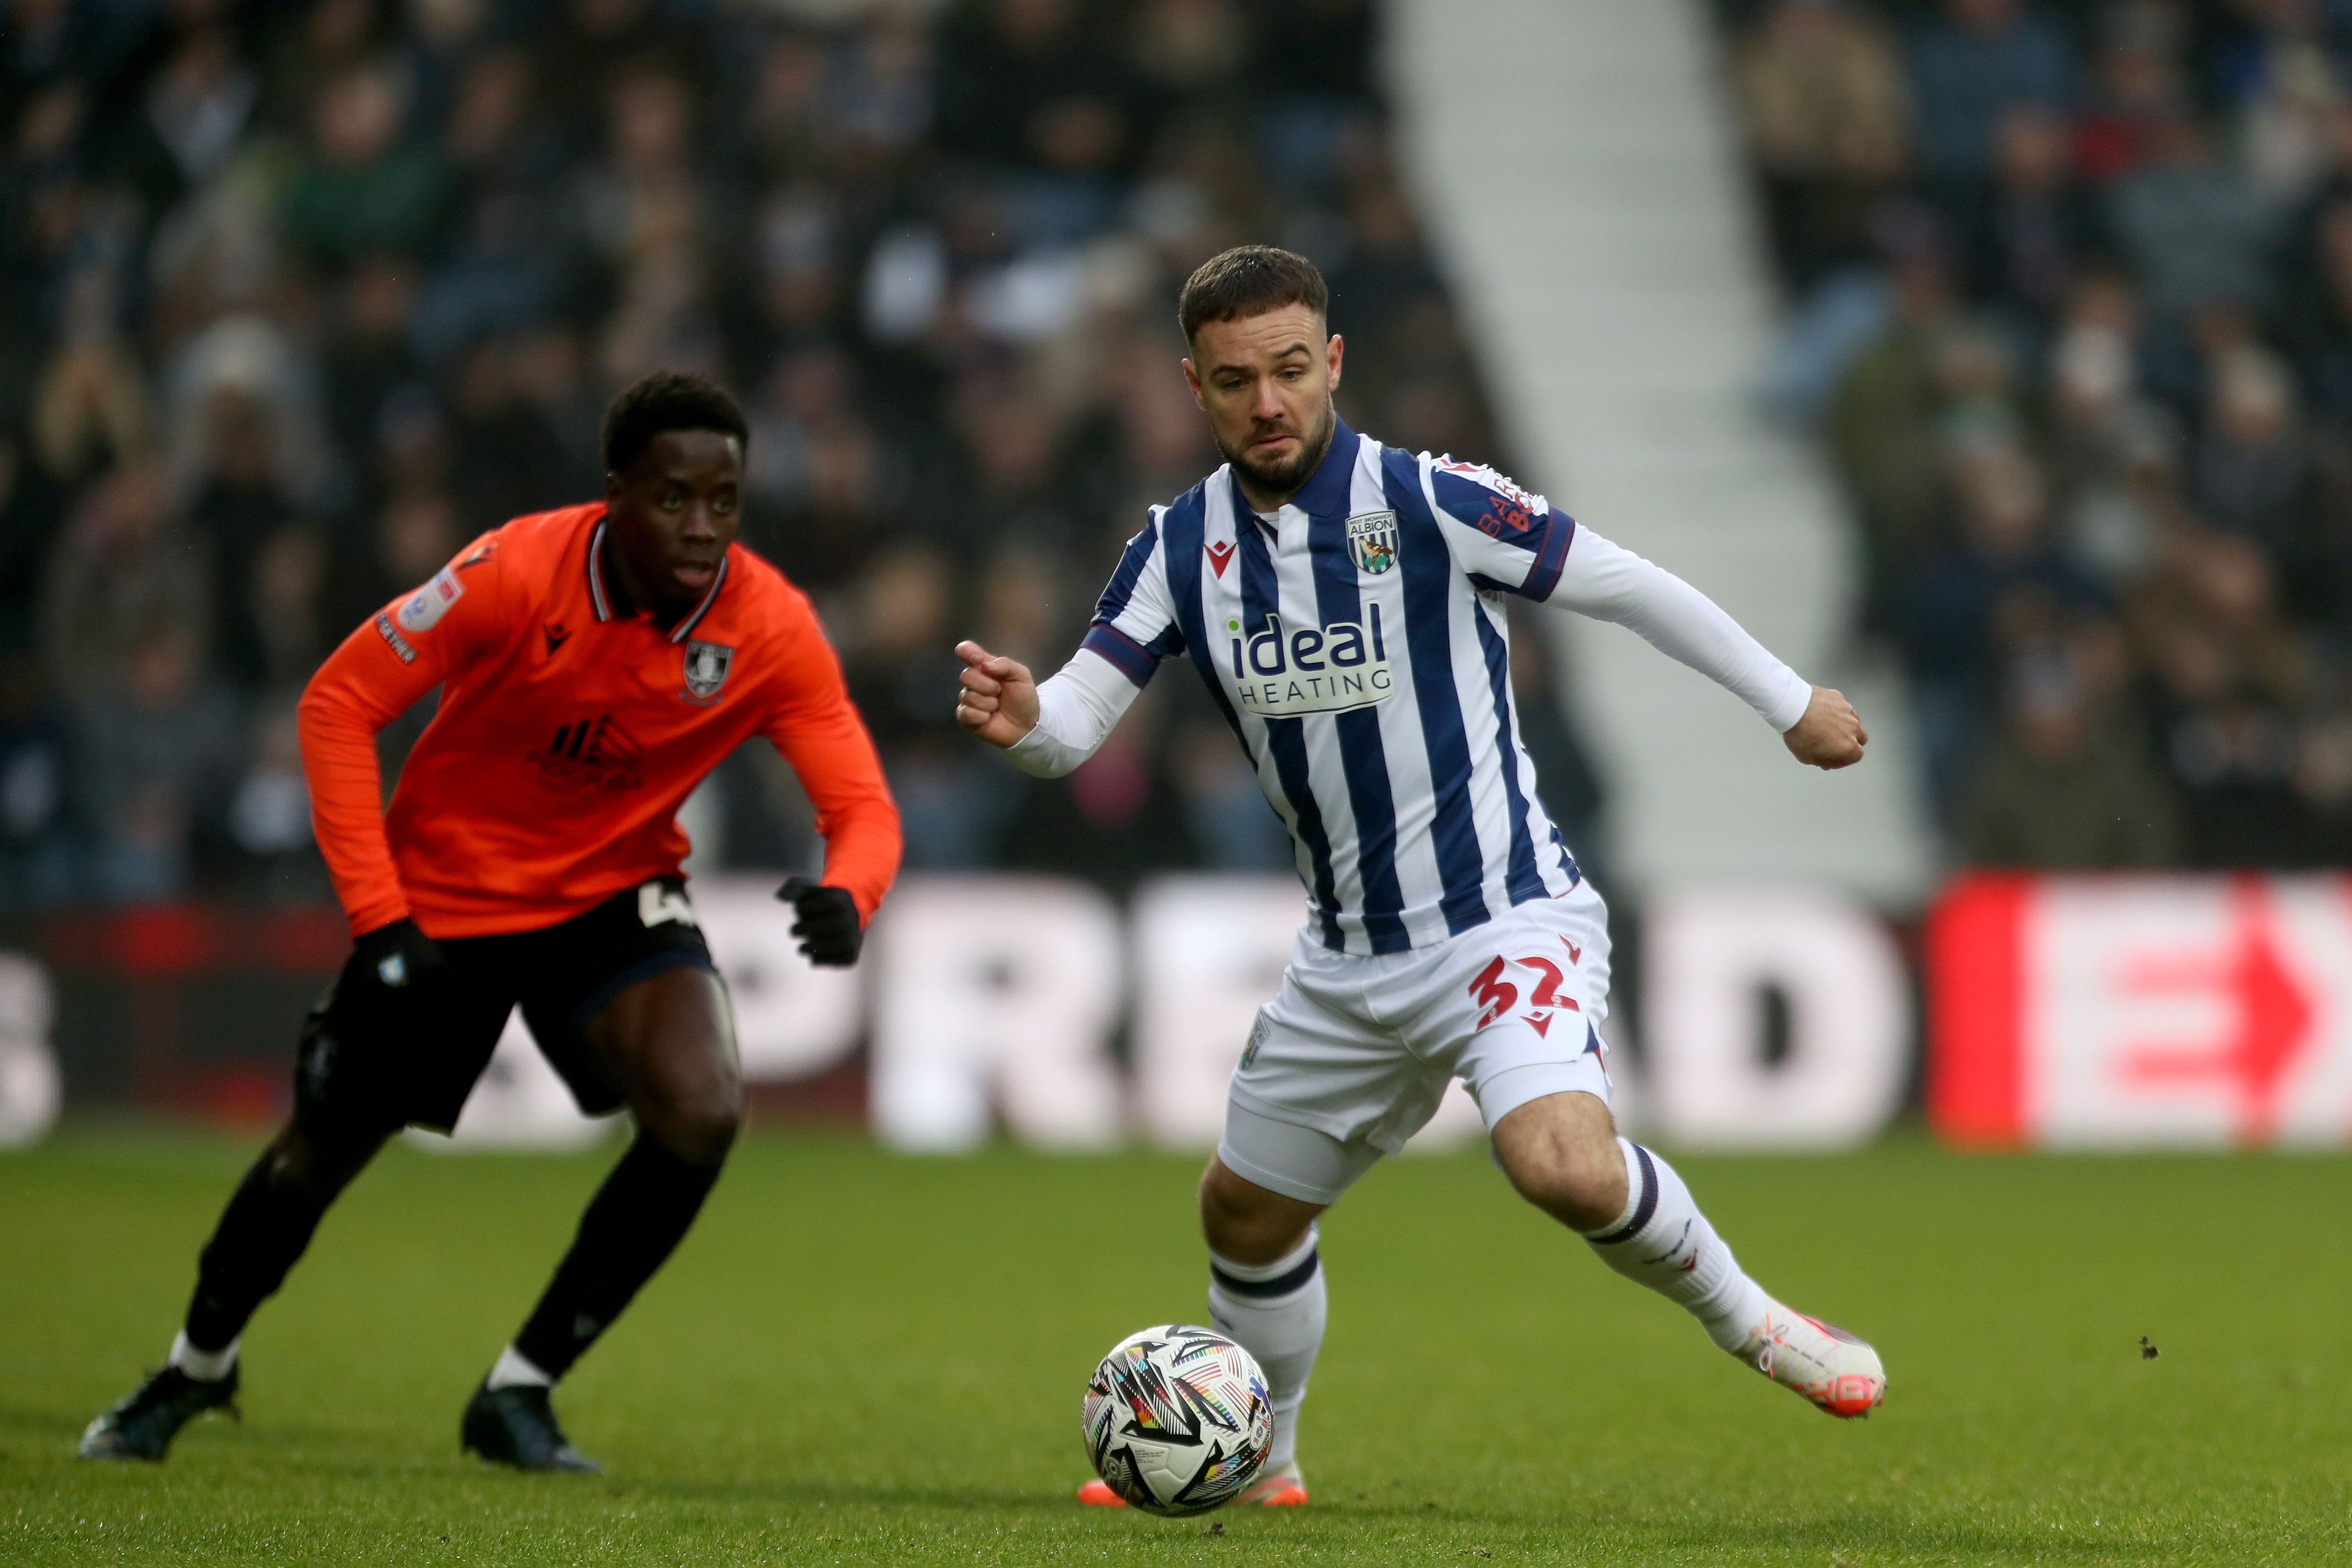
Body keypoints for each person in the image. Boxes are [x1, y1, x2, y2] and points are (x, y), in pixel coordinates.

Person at [954, 247, 1884, 1510]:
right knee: (1239, 1216)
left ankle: (1755, 1321)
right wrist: (1023, 718)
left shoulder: (1432, 500)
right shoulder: (1179, 547)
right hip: (1344, 959)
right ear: (1195, 388)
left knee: (1558, 1162)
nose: (1267, 403)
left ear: (1332, 362)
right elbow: (1074, 721)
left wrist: (1790, 701)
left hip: (1504, 918)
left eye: (1290, 370)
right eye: (1236, 382)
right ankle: (1262, 1459)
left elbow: (1626, 583)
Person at [79, 372, 901, 1472]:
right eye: (673, 498)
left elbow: (859, 805)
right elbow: (337, 705)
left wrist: (851, 895)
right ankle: (196, 1365)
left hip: (612, 895)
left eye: (725, 500)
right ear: (615, 491)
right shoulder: (516, 571)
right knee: (314, 1158)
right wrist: (378, 921)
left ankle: (518, 1390)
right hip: (445, 901)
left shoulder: (768, 625)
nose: (702, 526)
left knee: (703, 1110)